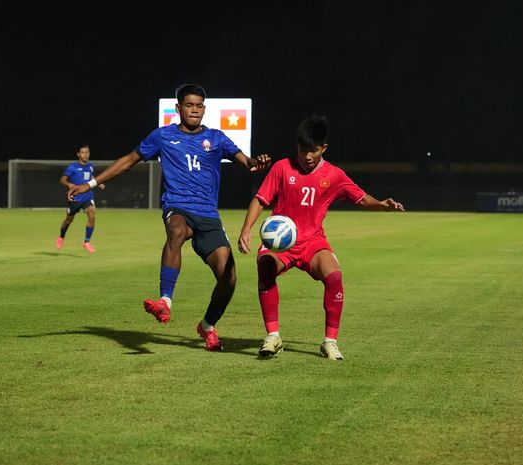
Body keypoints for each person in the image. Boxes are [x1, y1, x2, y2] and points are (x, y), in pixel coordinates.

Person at [67, 83, 271, 351]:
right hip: (177, 206)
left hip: (208, 215)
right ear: (178, 108)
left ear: (204, 109)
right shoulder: (162, 137)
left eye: (199, 106)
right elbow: (128, 160)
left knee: (229, 276)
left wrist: (258, 163)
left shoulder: (217, 138)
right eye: (189, 105)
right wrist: (90, 184)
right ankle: (165, 301)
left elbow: (247, 163)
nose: (194, 110)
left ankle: (207, 325)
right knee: (176, 231)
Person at [237, 114, 405, 360]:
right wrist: (246, 229)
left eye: (313, 151)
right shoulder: (282, 168)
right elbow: (260, 199)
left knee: (334, 276)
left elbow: (360, 197)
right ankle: (273, 336)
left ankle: (330, 341)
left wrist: (382, 205)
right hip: (282, 242)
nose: (306, 156)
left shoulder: (334, 175)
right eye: (302, 150)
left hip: (313, 242)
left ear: (323, 148)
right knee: (265, 266)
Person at [56, 144, 105, 253]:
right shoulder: (72, 167)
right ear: (78, 154)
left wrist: (98, 182)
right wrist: (69, 184)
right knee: (69, 220)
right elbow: (62, 179)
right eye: (83, 152)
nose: (85, 154)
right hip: (75, 198)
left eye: (87, 152)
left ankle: (86, 242)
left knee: (92, 214)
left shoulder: (90, 166)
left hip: (87, 196)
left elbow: (91, 177)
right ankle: (61, 236)